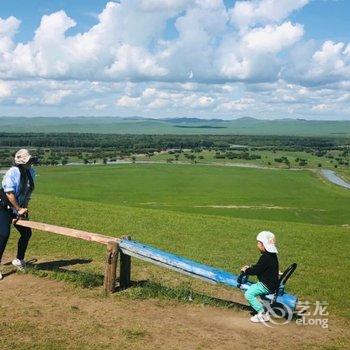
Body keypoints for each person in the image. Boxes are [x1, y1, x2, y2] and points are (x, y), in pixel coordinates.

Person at [0, 149, 38, 280]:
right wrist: (18, 208)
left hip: (18, 208)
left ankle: (19, 260)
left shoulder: (31, 172)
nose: (31, 163)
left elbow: (28, 194)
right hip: (4, 207)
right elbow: (9, 193)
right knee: (4, 234)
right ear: (21, 162)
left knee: (26, 233)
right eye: (29, 161)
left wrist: (23, 209)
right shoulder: (13, 172)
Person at [241, 231, 279, 323]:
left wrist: (246, 270)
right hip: (271, 283)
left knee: (248, 294)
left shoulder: (265, 257)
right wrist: (251, 267)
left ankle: (261, 313)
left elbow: (256, 271)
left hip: (266, 285)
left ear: (263, 245)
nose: (257, 245)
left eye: (258, 243)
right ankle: (263, 308)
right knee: (254, 288)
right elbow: (261, 267)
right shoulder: (272, 256)